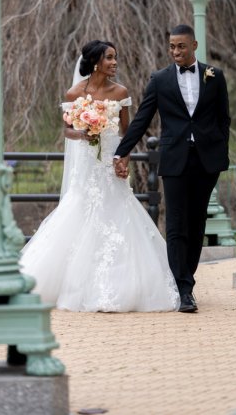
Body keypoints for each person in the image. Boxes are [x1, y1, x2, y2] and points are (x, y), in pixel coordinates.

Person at [20, 40, 180, 312]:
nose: (115, 62)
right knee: (81, 209)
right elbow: (68, 130)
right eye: (109, 58)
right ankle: (70, 284)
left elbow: (128, 132)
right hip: (87, 162)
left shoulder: (121, 92)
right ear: (96, 62)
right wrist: (83, 132)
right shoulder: (74, 94)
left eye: (115, 57)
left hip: (110, 158)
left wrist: (123, 159)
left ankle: (124, 285)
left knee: (119, 210)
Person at [113, 24, 230, 313]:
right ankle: (184, 289)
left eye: (181, 46)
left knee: (197, 222)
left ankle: (186, 277)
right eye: (172, 47)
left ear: (194, 45)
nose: (176, 51)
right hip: (175, 158)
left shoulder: (215, 77)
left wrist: (219, 151)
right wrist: (122, 151)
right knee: (176, 223)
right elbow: (141, 119)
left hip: (207, 160)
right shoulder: (159, 80)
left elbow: (223, 119)